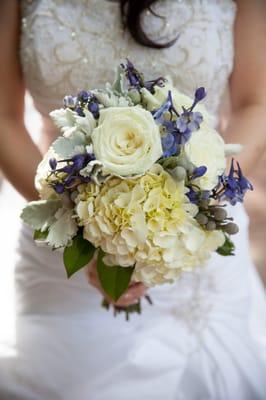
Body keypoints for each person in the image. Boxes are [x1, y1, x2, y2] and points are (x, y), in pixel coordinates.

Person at [0, 0, 266, 399]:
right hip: (59, 255)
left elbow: (255, 103)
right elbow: (4, 117)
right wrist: (88, 231)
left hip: (197, 244)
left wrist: (190, 210)